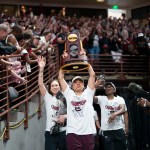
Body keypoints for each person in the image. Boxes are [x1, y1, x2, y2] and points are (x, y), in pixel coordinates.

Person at [58, 64, 96, 150]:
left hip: (87, 132)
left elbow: (92, 75)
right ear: (72, 86)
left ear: (84, 85)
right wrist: (63, 67)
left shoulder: (88, 93)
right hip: (72, 133)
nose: (78, 84)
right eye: (75, 82)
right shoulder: (69, 94)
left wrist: (88, 65)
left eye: (80, 82)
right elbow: (60, 78)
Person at [38, 56, 67, 150]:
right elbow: (40, 84)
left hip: (63, 131)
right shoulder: (48, 97)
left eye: (56, 85)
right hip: (50, 132)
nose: (55, 87)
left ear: (60, 86)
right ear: (50, 88)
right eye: (53, 85)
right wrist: (41, 69)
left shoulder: (66, 97)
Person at [94, 81, 127, 150]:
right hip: (106, 130)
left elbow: (123, 109)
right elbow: (91, 98)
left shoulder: (119, 99)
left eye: (110, 87)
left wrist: (115, 114)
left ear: (114, 89)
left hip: (118, 128)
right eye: (106, 87)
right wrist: (95, 87)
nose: (108, 88)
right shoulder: (102, 98)